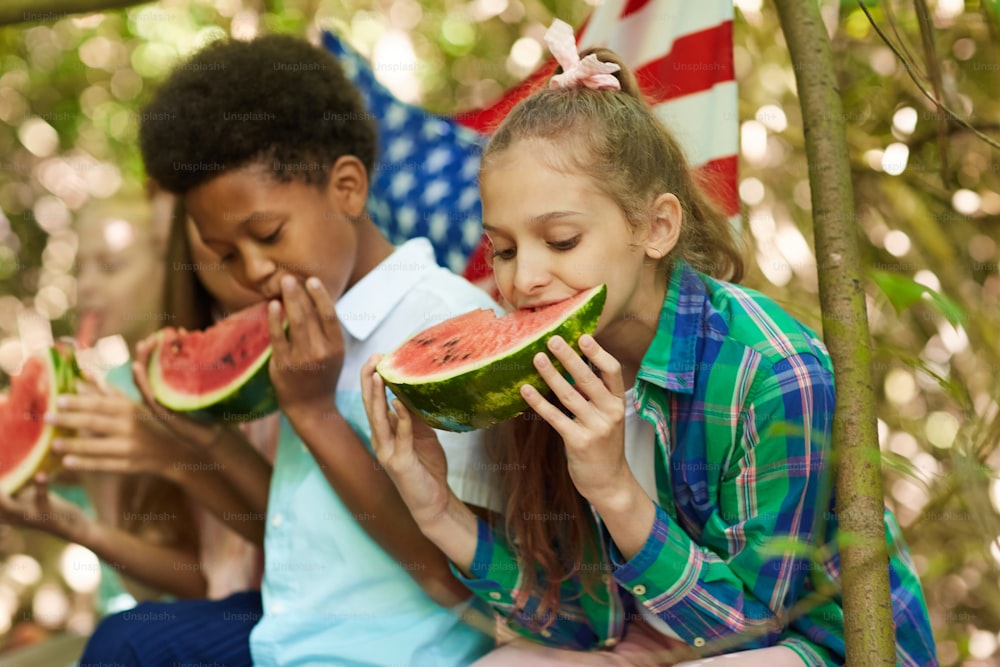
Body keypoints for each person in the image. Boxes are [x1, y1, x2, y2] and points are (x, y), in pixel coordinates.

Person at [360, 19, 938, 667]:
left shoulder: (771, 369)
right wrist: (440, 512)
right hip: (658, 647)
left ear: (657, 226)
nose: (522, 279)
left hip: (816, 647)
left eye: (562, 240)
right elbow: (583, 626)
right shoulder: (553, 368)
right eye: (503, 249)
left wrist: (613, 488)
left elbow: (755, 628)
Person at [79, 33, 501, 667]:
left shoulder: (442, 325)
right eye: (224, 254)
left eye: (268, 234)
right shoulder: (310, 329)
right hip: (289, 640)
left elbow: (453, 577)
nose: (250, 272)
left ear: (348, 188)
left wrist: (313, 412)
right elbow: (306, 534)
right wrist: (203, 438)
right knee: (126, 642)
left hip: (396, 656)